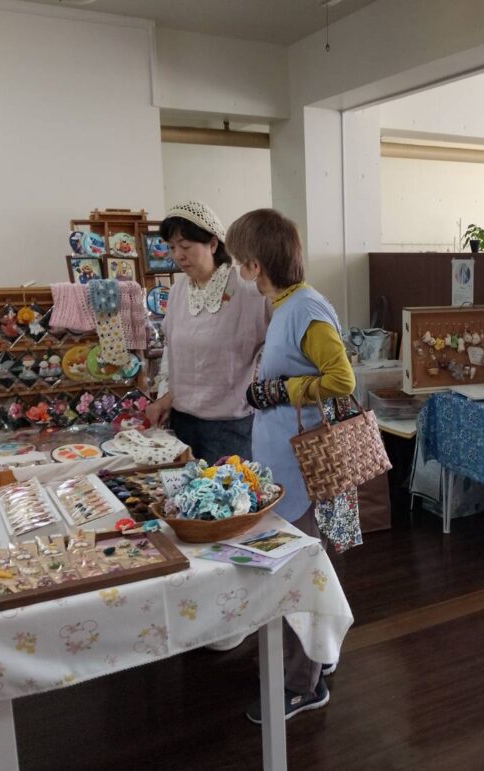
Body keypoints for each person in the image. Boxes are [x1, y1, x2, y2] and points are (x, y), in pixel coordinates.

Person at [226, 208, 355, 722]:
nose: (237, 268)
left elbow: (341, 380)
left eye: (239, 260)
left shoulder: (304, 308)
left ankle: (303, 684)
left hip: (304, 469)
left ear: (256, 264)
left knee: (300, 573)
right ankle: (319, 658)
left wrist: (283, 390)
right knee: (306, 568)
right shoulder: (285, 305)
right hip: (288, 464)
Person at [144, 201, 271, 463]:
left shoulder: (246, 287)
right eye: (172, 248)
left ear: (213, 244)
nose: (178, 255)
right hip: (182, 423)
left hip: (229, 428)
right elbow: (175, 354)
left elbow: (281, 339)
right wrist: (166, 399)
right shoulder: (178, 291)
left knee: (228, 489)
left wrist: (261, 385)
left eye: (185, 246)